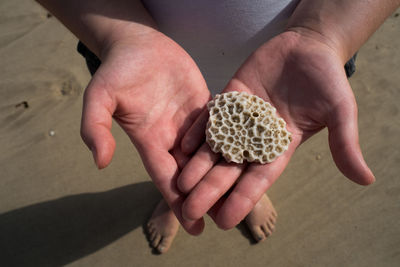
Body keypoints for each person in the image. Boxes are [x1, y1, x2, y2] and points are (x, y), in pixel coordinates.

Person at [36, 0, 399, 254]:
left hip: (287, 53)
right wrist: (118, 33)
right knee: (173, 146)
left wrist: (326, 32)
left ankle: (245, 190)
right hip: (147, 48)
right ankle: (172, 197)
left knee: (252, 158)